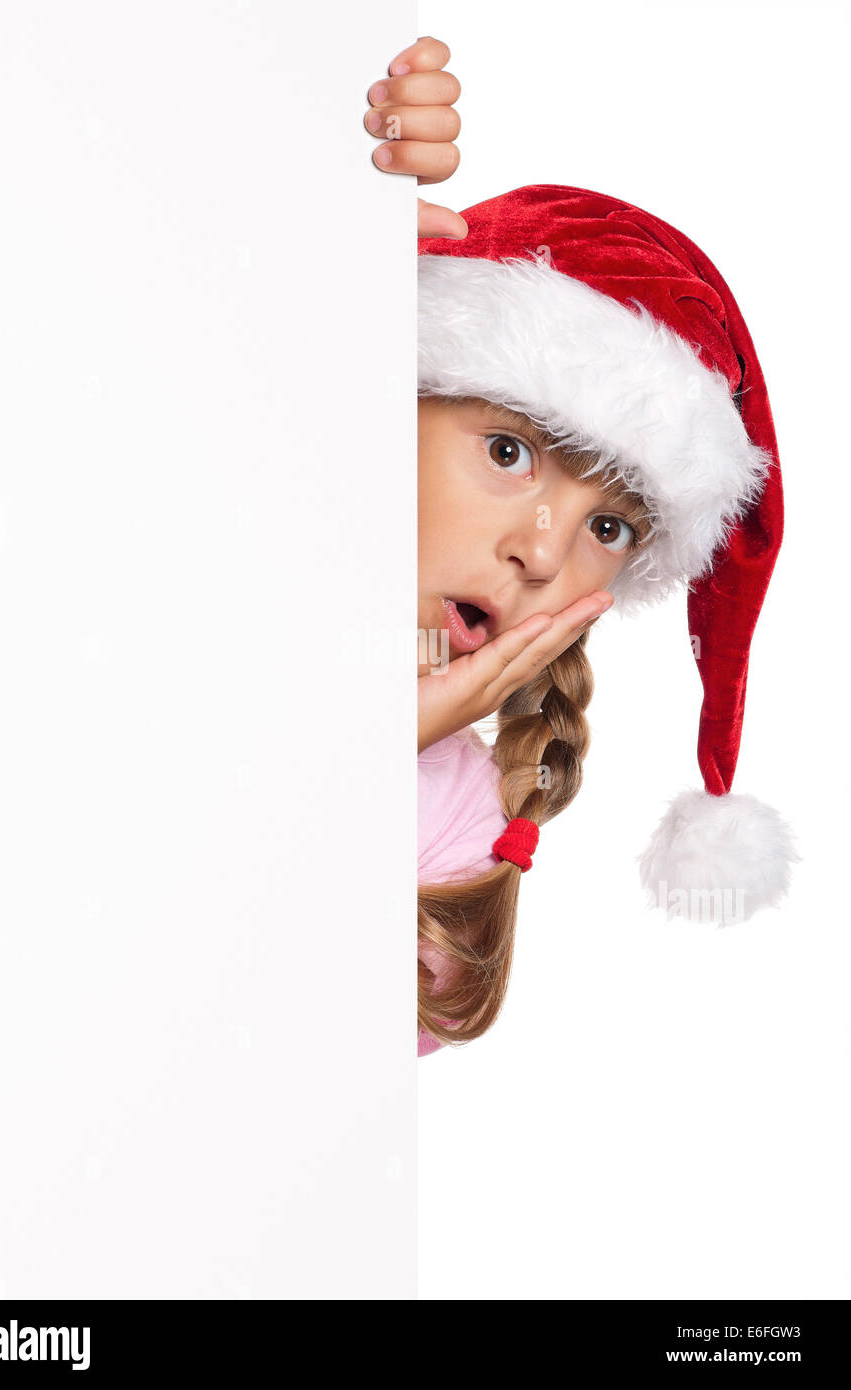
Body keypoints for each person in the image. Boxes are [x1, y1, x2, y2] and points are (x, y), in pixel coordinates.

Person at [365, 38, 799, 1057]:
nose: (541, 550)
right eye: (508, 450)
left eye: (611, 525)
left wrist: (387, 733)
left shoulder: (465, 819)